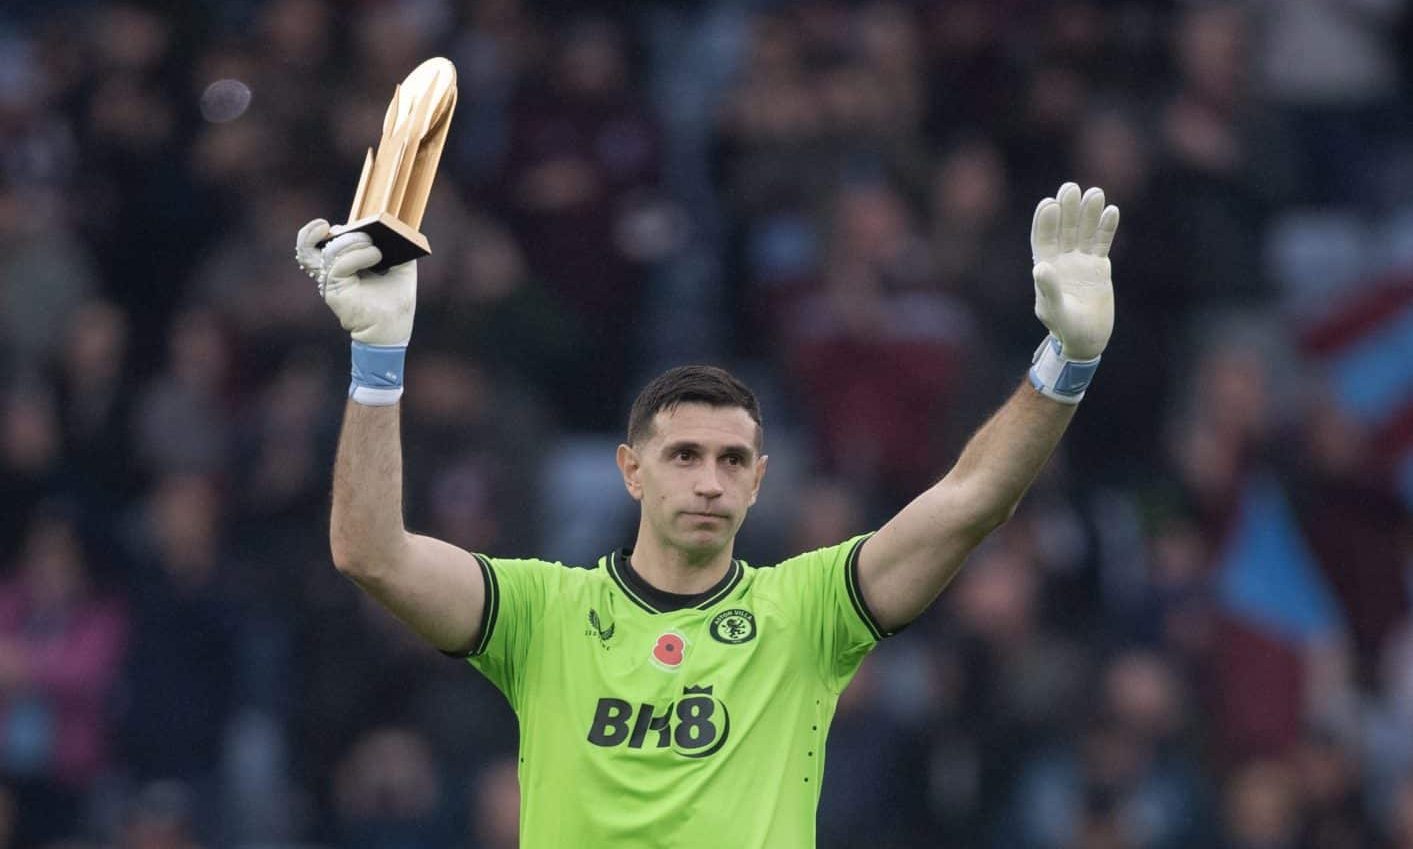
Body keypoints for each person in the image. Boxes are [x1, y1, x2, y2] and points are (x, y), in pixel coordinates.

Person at [293, 181, 1120, 848]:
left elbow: (971, 500)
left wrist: (1066, 362)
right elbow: (370, 552)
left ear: (758, 482)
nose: (709, 482)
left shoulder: (806, 612)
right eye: (683, 456)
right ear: (631, 470)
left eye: (730, 461)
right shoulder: (543, 612)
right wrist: (376, 362)